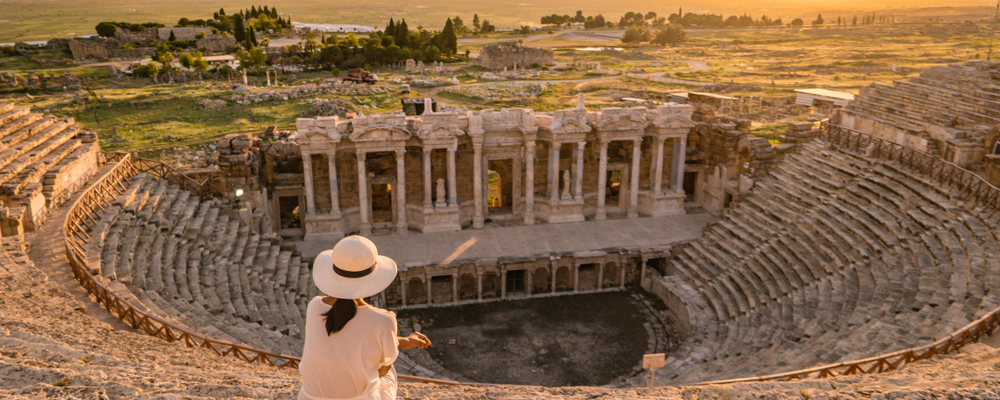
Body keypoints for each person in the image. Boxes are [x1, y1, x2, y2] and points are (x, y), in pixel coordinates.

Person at [299, 235, 431, 400]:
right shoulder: (383, 320)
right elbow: (382, 371)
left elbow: (348, 338)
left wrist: (403, 341)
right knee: (389, 370)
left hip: (309, 397)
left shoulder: (314, 306)